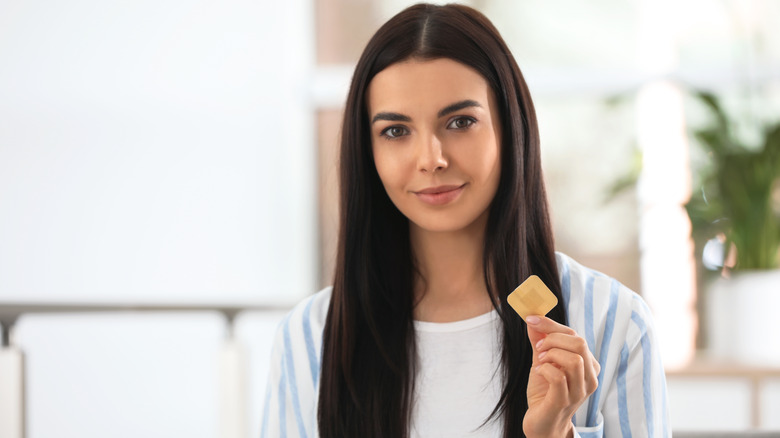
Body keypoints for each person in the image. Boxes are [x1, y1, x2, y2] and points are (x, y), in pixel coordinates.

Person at [260, 3, 670, 437]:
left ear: (510, 130)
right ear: (369, 152)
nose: (431, 159)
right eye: (396, 131)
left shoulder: (614, 323)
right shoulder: (310, 338)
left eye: (460, 121)